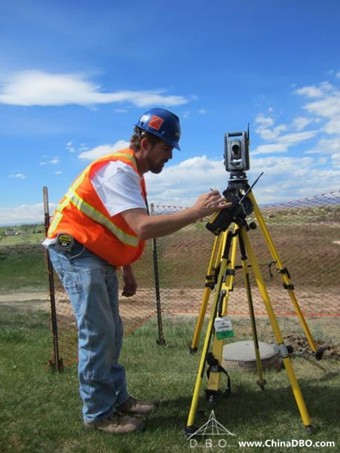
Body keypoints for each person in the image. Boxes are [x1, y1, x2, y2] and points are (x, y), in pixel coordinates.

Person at [43, 108, 229, 434]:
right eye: (167, 148)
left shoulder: (132, 173)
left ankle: (117, 397)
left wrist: (125, 267)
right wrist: (196, 211)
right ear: (145, 142)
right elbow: (141, 227)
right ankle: (99, 413)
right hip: (76, 253)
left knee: (111, 331)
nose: (170, 156)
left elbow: (116, 226)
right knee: (98, 334)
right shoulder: (118, 172)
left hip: (96, 254)